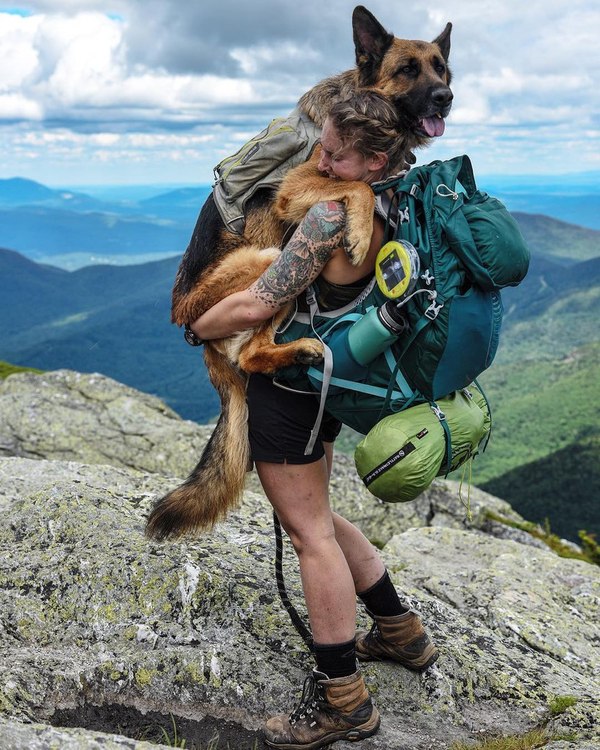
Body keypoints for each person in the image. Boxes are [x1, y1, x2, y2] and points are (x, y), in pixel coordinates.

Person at [189, 92, 438, 750]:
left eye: (336, 153)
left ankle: (343, 700)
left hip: (292, 386)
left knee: (309, 538)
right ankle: (399, 631)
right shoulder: (406, 200)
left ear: (375, 158)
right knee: (317, 516)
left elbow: (254, 306)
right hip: (333, 379)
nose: (321, 161)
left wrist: (197, 325)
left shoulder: (333, 215)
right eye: (321, 146)